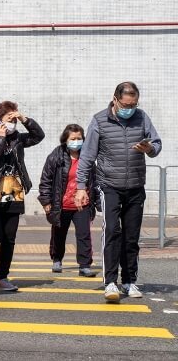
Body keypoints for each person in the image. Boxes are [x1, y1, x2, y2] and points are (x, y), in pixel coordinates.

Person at [75, 82, 161, 302]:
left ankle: (129, 281)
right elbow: (86, 157)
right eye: (126, 104)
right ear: (115, 100)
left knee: (131, 237)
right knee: (112, 230)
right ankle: (110, 282)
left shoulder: (142, 117)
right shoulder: (99, 120)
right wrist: (81, 187)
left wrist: (149, 148)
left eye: (133, 104)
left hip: (135, 186)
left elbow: (157, 145)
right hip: (108, 185)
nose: (129, 108)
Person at [0, 101, 45, 291]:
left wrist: (24, 119)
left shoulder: (17, 138)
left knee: (9, 237)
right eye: (10, 119)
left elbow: (39, 136)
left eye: (14, 119)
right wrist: (0, 138)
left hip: (13, 189)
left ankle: (3, 277)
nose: (12, 123)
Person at [38, 124, 99, 277]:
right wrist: (46, 201)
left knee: (84, 235)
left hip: (82, 205)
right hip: (61, 204)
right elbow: (46, 179)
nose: (76, 141)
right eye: (73, 138)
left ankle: (85, 265)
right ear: (65, 139)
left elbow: (94, 181)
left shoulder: (87, 157)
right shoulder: (56, 156)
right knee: (59, 233)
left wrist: (97, 202)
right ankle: (57, 259)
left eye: (79, 138)